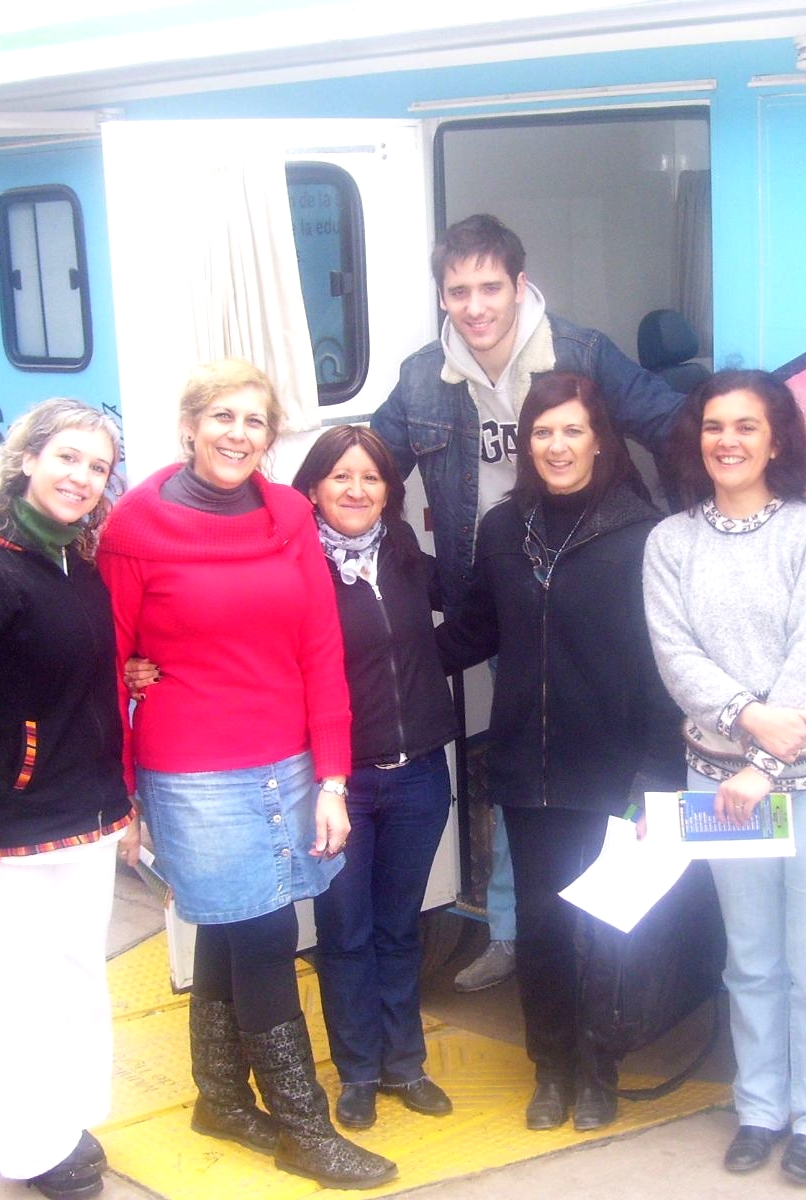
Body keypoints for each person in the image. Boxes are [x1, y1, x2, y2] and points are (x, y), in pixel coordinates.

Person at [97, 360, 395, 1190]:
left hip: (289, 761)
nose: (238, 434)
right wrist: (122, 797)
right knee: (264, 934)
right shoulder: (133, 528)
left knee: (235, 928)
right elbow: (107, 664)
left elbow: (320, 651)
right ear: (189, 426)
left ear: (271, 437)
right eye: (222, 417)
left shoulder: (290, 515)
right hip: (192, 771)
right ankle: (304, 1129)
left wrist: (332, 777)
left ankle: (222, 1098)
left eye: (255, 421)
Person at [372, 213, 687, 991]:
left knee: (597, 765)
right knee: (524, 768)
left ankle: (600, 953)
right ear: (442, 296)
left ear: (520, 285)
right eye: (458, 291)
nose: (475, 307)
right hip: (499, 588)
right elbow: (368, 468)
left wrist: (708, 530)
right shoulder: (422, 378)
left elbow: (672, 426)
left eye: (490, 287)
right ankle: (518, 934)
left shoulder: (580, 352)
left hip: (590, 575)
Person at [642, 370, 806, 1188]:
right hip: (723, 780)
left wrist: (765, 766)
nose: (728, 441)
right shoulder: (671, 543)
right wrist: (748, 724)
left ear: (776, 438)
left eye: (747, 426)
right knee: (749, 959)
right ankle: (759, 1109)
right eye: (714, 425)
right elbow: (676, 657)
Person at [436, 371, 684, 1134]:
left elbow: (664, 665)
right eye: (542, 432)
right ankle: (551, 1069)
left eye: (572, 430)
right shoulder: (505, 528)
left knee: (604, 927)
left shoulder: (642, 536)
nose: (557, 445)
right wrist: (382, 649)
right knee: (541, 926)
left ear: (600, 439)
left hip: (614, 769)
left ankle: (599, 1067)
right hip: (527, 768)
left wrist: (656, 772)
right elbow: (473, 631)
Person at [0, 398, 135, 1200]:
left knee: (77, 974)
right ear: (27, 460)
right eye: (68, 458)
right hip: (11, 828)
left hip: (87, 813)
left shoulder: (77, 563)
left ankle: (65, 1121)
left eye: (97, 467)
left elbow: (78, 680)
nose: (82, 477)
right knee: (21, 989)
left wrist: (119, 800)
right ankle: (26, 1148)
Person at [286, 426, 459, 1132]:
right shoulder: (295, 567)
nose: (356, 490)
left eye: (371, 477)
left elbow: (478, 611)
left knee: (399, 927)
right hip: (339, 783)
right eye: (341, 477)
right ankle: (357, 1072)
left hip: (419, 775)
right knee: (346, 932)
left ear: (390, 490)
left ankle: (405, 1065)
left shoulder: (408, 556)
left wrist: (425, 671)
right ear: (313, 489)